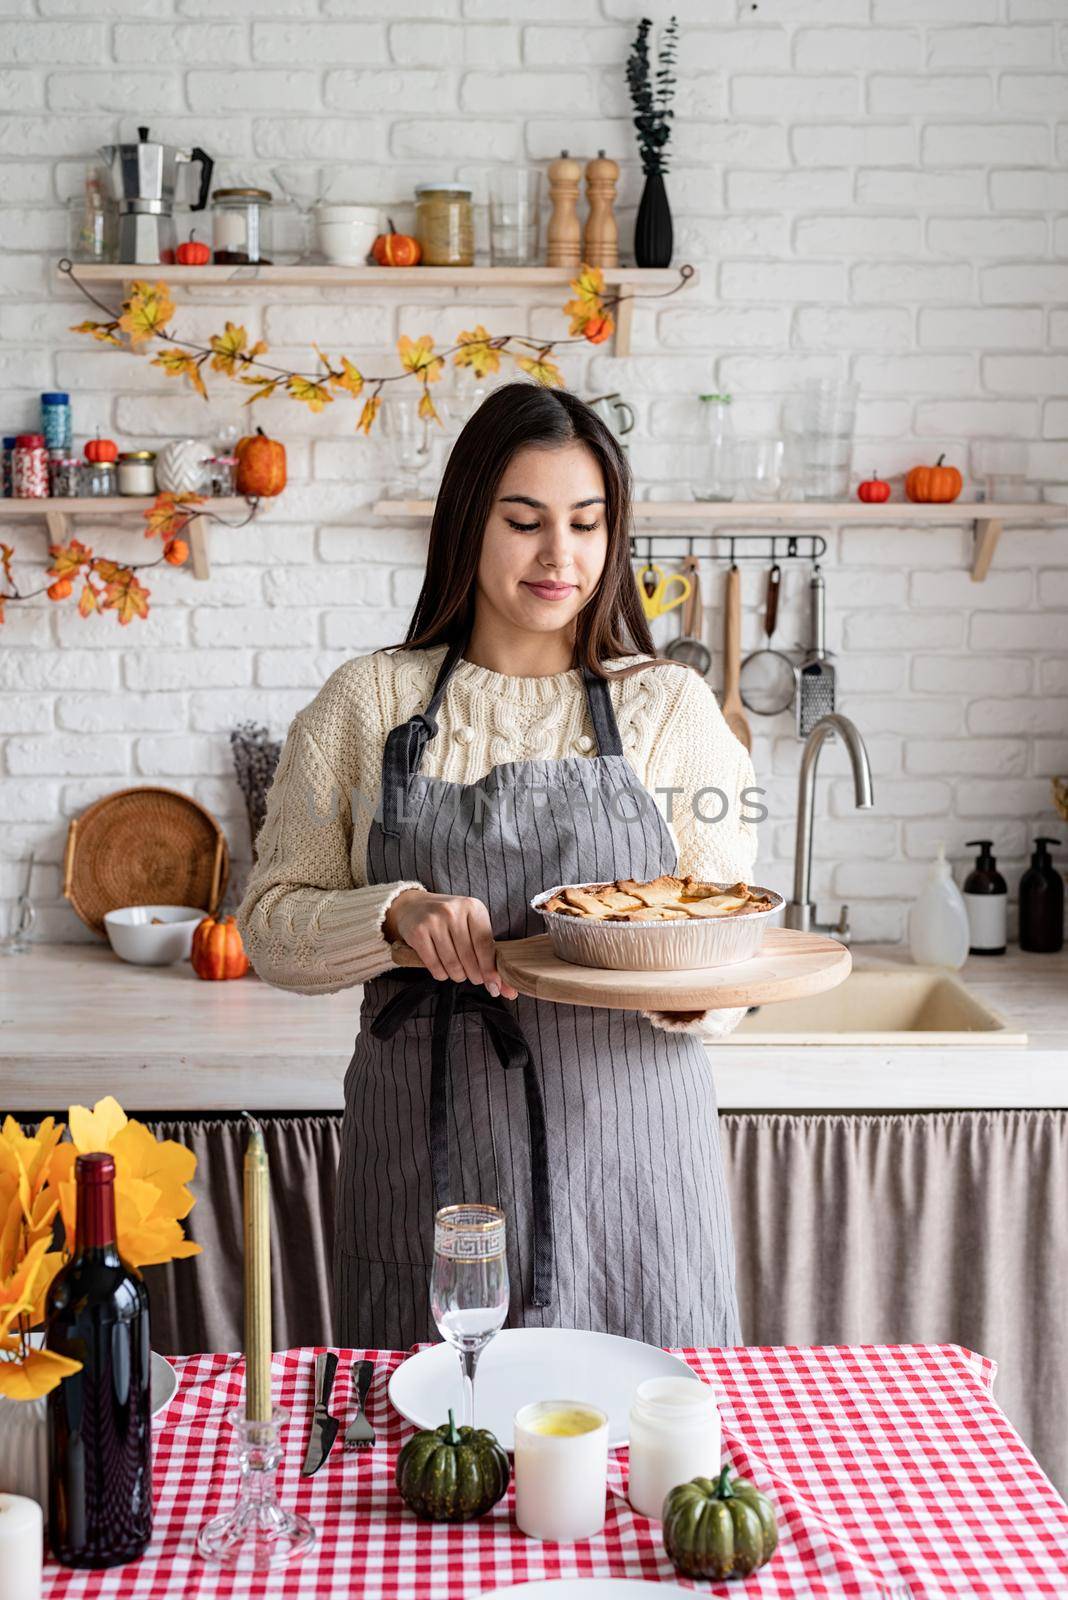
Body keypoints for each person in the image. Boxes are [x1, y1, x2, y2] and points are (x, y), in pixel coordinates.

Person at [237, 382, 760, 1351]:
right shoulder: (366, 703)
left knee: (642, 1468)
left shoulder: (672, 708)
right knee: (433, 1463)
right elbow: (268, 925)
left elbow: (731, 937)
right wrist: (392, 916)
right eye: (525, 522)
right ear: (469, 523)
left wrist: (691, 990)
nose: (560, 556)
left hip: (634, 1160)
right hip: (431, 1159)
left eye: (586, 523)